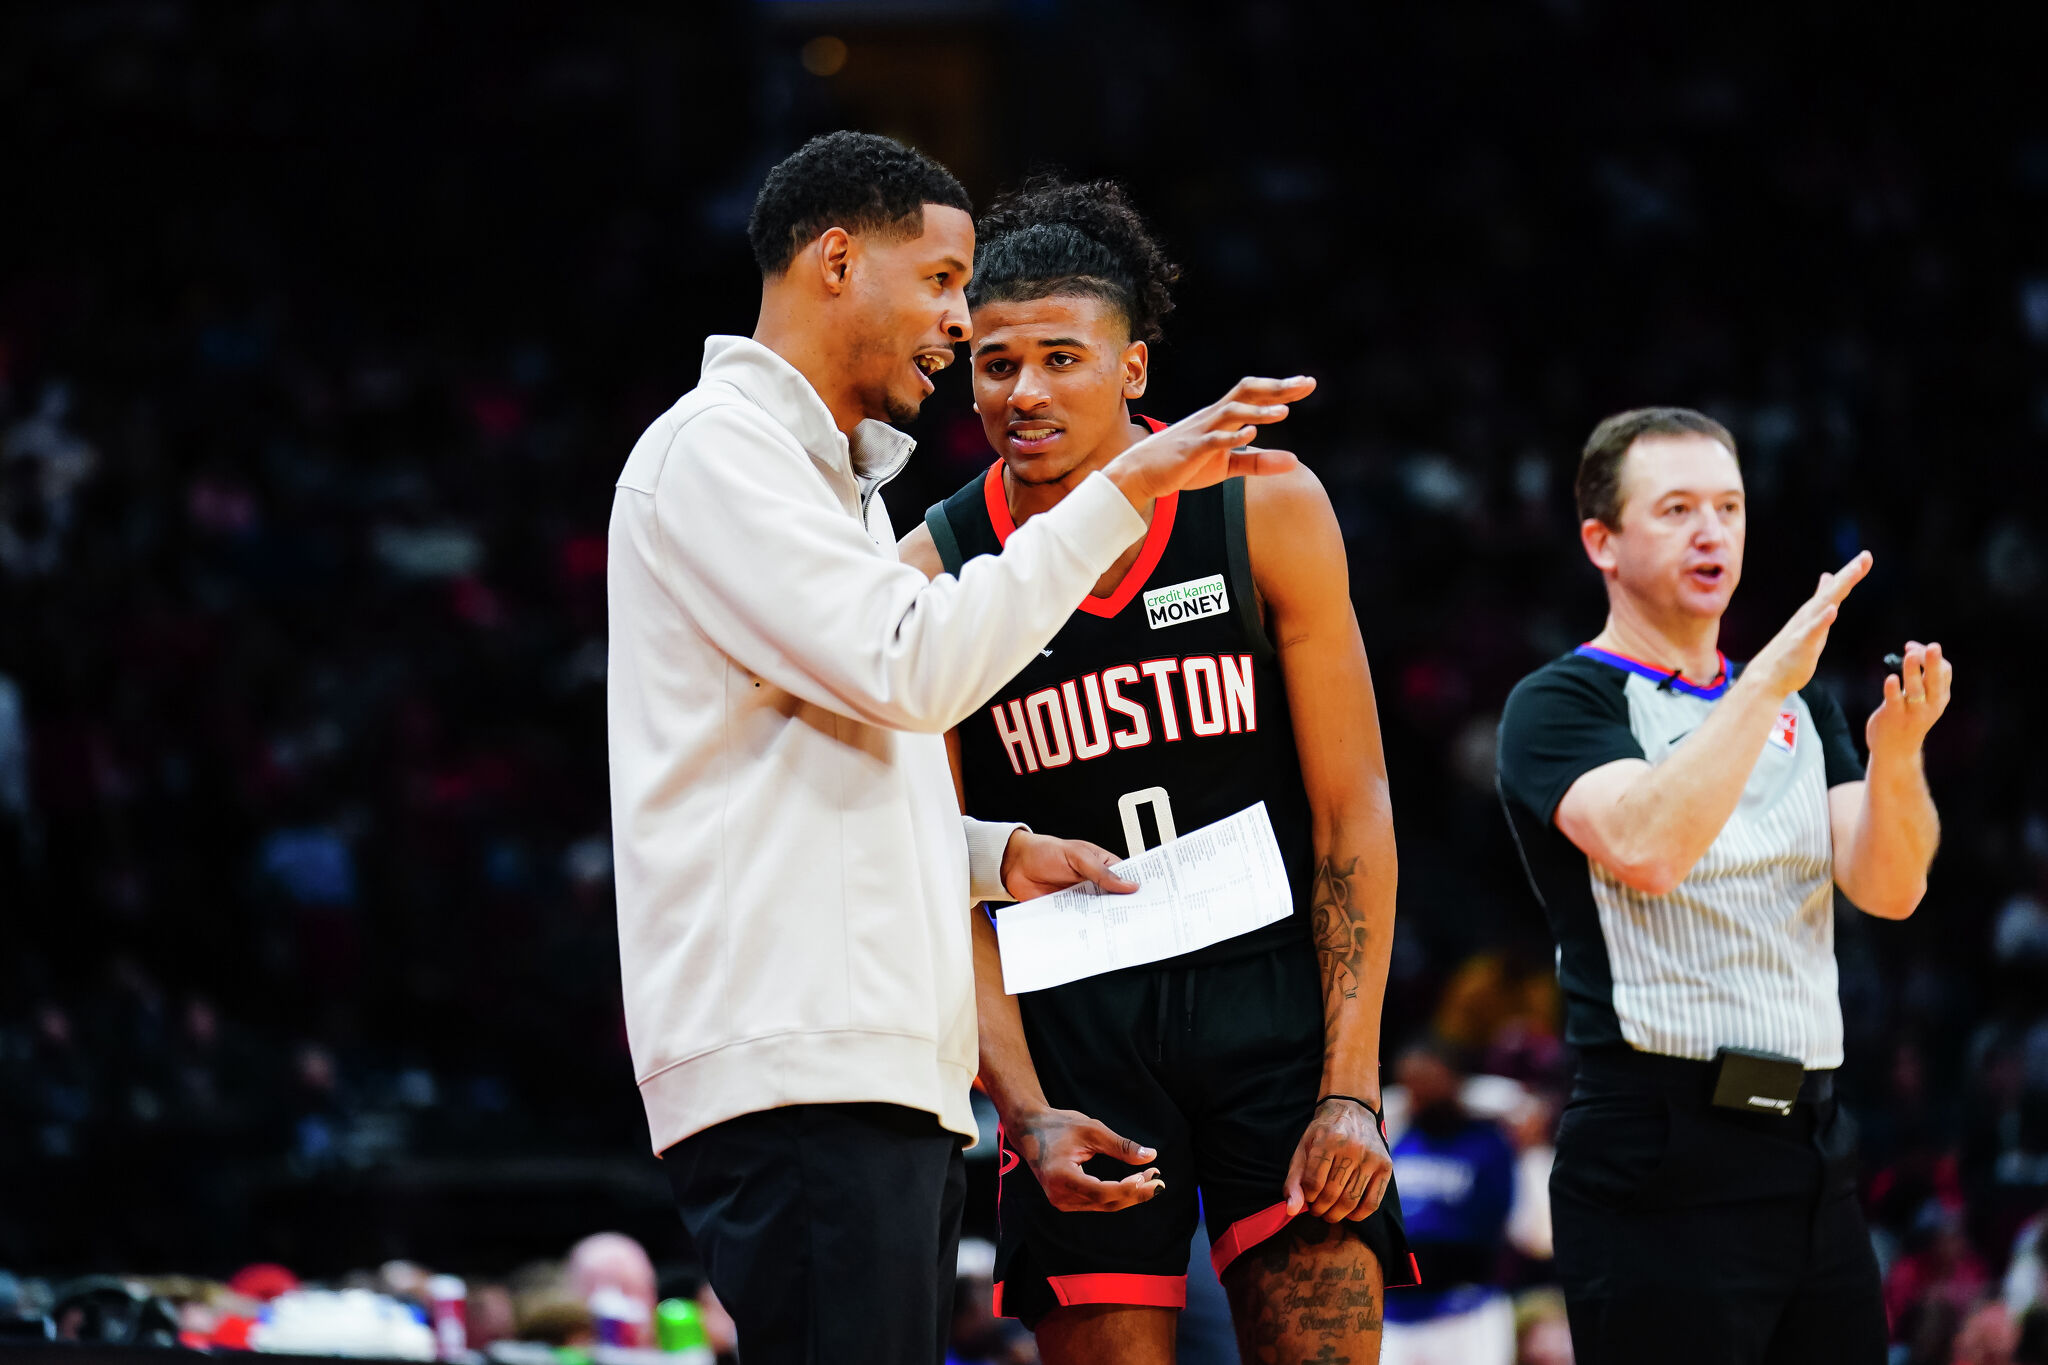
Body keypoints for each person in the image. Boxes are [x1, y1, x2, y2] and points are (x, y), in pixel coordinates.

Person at [606, 133, 1315, 1365]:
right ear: (837, 260)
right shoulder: (717, 451)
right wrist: (1127, 487)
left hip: (868, 1072)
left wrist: (994, 854)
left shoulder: (831, 487)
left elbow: (817, 762)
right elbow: (916, 666)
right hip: (801, 1069)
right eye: (939, 280)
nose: (954, 319)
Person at [899, 177, 1412, 1365]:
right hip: (1076, 1028)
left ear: (1132, 371)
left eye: (1060, 359)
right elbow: (926, 860)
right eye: (994, 362)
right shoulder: (933, 567)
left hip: (1271, 999)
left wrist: (1350, 1084)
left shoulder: (1262, 505)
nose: (1021, 391)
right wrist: (1021, 1114)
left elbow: (1353, 806)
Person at [1494, 407, 1953, 1364]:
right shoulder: (1560, 703)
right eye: (1676, 509)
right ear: (1601, 542)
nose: (1713, 532)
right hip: (1658, 1153)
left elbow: (1892, 885)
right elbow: (1649, 845)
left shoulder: (1801, 702)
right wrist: (1767, 679)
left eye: (1729, 507)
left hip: (1812, 1146)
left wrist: (1898, 754)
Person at [1380, 1041, 1516, 1365]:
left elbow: (1518, 1101)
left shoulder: (1490, 1140)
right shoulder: (1395, 1134)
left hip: (1467, 1305)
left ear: (1454, 1079)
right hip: (1396, 1309)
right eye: (1410, 1083)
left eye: (1428, 1080)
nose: (1419, 1092)